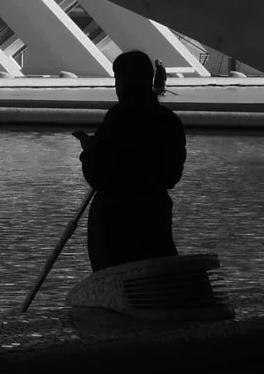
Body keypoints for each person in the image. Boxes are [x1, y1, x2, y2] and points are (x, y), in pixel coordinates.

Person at [76, 50, 186, 271]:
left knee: (115, 276)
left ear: (125, 82)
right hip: (154, 212)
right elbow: (172, 173)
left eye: (117, 79)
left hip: (116, 218)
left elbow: (100, 176)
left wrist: (89, 152)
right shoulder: (168, 120)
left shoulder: (118, 118)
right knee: (155, 274)